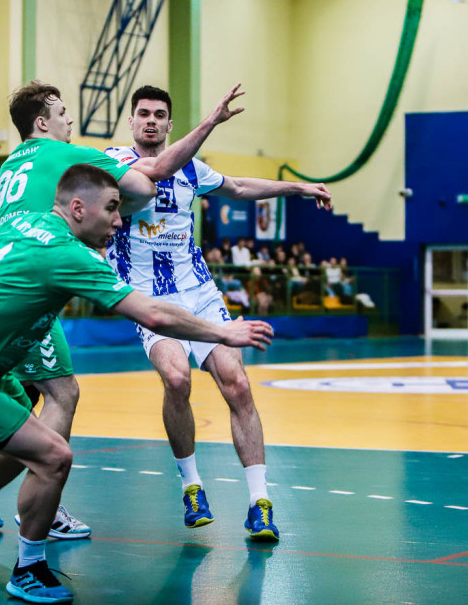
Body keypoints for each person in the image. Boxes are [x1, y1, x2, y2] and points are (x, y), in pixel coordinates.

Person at [0, 164, 272, 603]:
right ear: (79, 208)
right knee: (54, 456)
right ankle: (28, 569)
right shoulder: (69, 256)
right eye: (113, 209)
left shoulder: (26, 222)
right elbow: (154, 314)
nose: (120, 222)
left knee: (31, 434)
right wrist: (223, 332)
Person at [0, 79, 247, 540]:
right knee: (60, 394)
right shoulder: (67, 158)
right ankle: (7, 511)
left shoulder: (10, 166)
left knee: (24, 397)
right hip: (27, 289)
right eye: (62, 112)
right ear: (42, 122)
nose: (70, 120)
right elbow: (150, 177)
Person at [104, 85, 332, 541]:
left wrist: (300, 187)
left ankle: (259, 502)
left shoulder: (190, 167)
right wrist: (209, 121)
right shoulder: (113, 162)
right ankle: (191, 485)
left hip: (199, 292)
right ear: (131, 123)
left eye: (159, 115)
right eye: (143, 114)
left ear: (170, 124)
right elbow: (155, 170)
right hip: (148, 295)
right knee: (176, 378)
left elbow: (241, 186)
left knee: (238, 383)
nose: (150, 121)